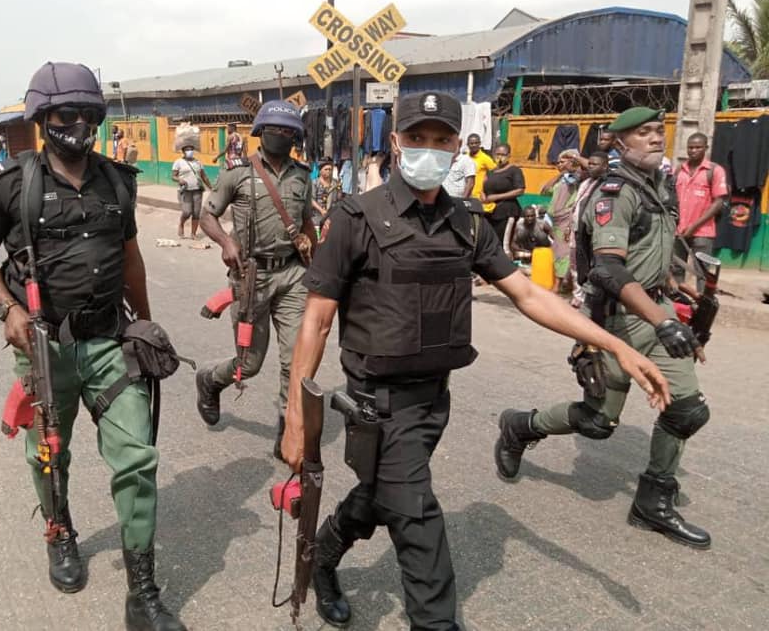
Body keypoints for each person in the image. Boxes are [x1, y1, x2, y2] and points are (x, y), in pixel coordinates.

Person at [280, 92, 669, 631]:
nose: (428, 150)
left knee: (382, 495)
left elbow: (530, 297)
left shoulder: (467, 224)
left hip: (432, 400)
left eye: (442, 141)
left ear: (457, 148)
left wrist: (615, 343)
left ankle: (324, 556)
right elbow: (317, 321)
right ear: (395, 143)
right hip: (377, 403)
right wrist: (298, 420)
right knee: (416, 516)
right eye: (417, 139)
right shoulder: (355, 218)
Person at [0, 61, 186, 631]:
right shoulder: (11, 185)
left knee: (137, 459)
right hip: (45, 346)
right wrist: (7, 309)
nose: (80, 124)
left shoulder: (118, 181)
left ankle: (143, 592)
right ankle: (59, 530)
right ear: (43, 119)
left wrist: (146, 326)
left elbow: (131, 255)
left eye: (88, 113)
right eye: (68, 114)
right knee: (50, 453)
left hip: (111, 342)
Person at [495, 106, 712, 551]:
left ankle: (653, 501)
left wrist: (676, 288)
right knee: (598, 422)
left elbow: (651, 251)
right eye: (642, 133)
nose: (655, 138)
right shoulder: (614, 194)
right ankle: (521, 426)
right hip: (616, 319)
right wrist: (662, 322)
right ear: (619, 142)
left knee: (687, 410)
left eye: (658, 131)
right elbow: (610, 271)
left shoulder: (660, 186)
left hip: (657, 309)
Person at [195, 101, 315, 456]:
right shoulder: (237, 174)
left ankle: (286, 432)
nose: (282, 136)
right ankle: (210, 380)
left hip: (293, 274)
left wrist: (315, 254)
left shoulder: (301, 176)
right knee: (249, 364)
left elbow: (306, 222)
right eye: (276, 130)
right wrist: (226, 241)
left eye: (289, 131)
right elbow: (207, 216)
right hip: (252, 277)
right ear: (261, 132)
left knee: (295, 361)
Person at [674, 132, 728, 293]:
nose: (693, 151)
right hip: (679, 231)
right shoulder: (679, 170)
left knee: (702, 272)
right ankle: (677, 303)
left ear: (706, 148)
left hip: (703, 232)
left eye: (698, 147)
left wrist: (694, 226)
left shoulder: (715, 171)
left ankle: (703, 306)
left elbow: (718, 202)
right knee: (676, 269)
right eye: (690, 147)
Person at [569, 149, 611, 307]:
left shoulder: (605, 185)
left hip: (593, 232)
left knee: (593, 264)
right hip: (577, 229)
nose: (591, 167)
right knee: (576, 263)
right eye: (590, 164)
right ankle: (578, 295)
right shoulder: (585, 183)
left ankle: (591, 298)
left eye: (595, 164)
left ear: (605, 166)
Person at [546, 149, 581, 293]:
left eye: (562, 162)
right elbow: (545, 189)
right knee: (558, 250)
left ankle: (559, 284)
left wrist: (570, 168)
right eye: (558, 162)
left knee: (563, 252)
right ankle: (565, 282)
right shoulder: (562, 179)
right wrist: (560, 173)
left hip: (566, 220)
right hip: (555, 221)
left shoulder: (576, 177)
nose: (559, 164)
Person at [481, 142, 526, 254]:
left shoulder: (514, 170)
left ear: (509, 155)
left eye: (503, 154)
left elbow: (520, 190)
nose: (499, 157)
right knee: (490, 242)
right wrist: (483, 195)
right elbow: (484, 187)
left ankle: (507, 267)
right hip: (490, 212)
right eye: (497, 154)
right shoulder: (491, 172)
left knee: (503, 244)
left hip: (507, 212)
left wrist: (497, 197)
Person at [171, 135, 212, 239]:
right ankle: (181, 224)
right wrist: (179, 180)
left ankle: (193, 234)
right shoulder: (178, 162)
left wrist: (212, 188)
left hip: (197, 190)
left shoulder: (198, 162)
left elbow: (204, 176)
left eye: (191, 149)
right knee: (187, 211)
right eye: (187, 150)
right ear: (183, 152)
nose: (190, 151)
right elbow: (173, 176)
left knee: (196, 213)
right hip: (185, 191)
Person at [311, 158, 339, 234]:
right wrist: (321, 210)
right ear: (320, 171)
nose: (328, 171)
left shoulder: (335, 183)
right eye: (326, 169)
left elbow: (338, 199)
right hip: (317, 218)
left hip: (332, 217)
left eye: (330, 169)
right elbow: (311, 200)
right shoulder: (315, 183)